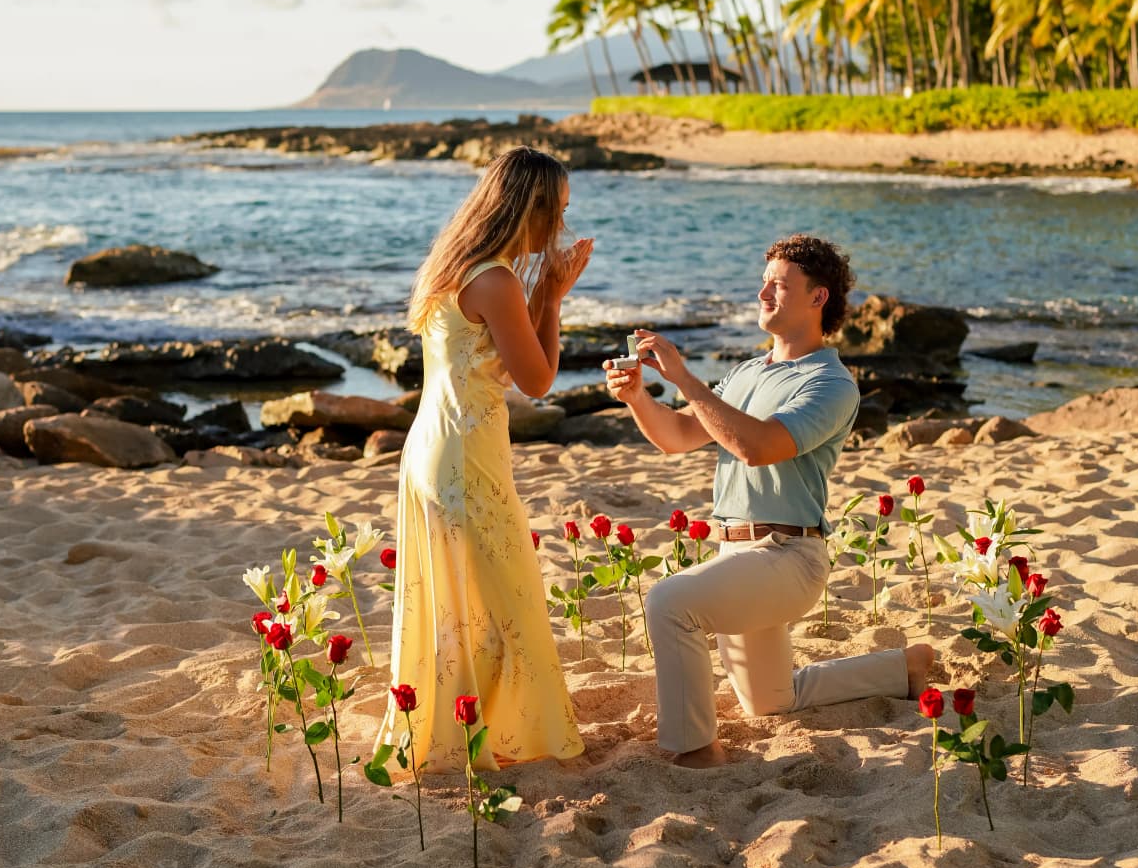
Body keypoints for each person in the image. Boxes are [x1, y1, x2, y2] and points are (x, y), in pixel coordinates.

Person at [605, 234, 934, 768]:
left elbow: (758, 448)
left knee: (669, 603)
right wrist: (638, 397)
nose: (762, 294)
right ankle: (903, 668)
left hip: (788, 557)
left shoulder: (831, 383)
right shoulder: (746, 373)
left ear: (818, 297)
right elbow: (677, 438)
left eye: (778, 285)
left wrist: (685, 378)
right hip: (737, 556)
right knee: (770, 701)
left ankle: (695, 752)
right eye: (763, 283)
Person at [378, 146, 589, 772]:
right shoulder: (495, 281)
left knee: (463, 599)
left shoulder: (455, 265)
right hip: (465, 457)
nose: (561, 230)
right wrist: (551, 297)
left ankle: (464, 727)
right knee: (506, 598)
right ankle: (491, 737)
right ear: (530, 209)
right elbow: (537, 380)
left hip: (431, 447)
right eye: (557, 212)